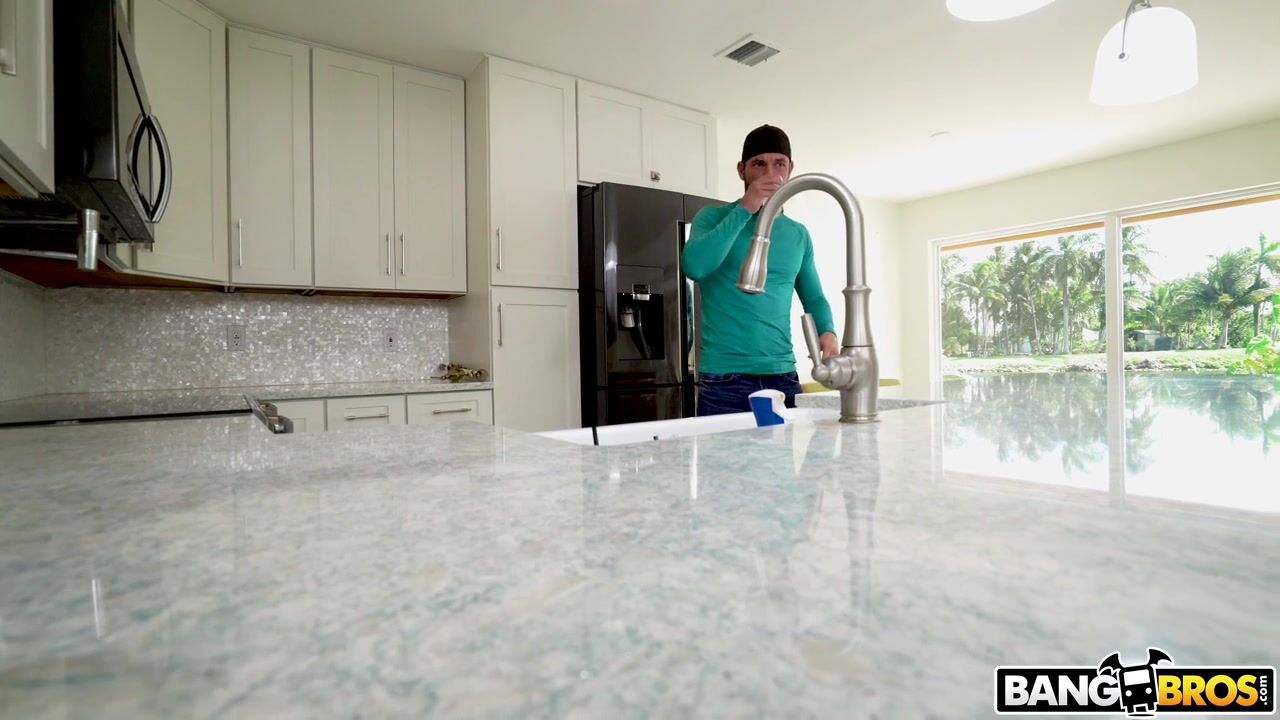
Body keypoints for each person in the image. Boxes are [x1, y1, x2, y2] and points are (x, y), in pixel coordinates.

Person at [681, 124, 838, 416]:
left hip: (782, 375)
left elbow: (814, 297)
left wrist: (827, 330)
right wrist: (746, 207)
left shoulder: (798, 234)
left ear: (790, 169)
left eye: (779, 164)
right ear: (741, 170)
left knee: (783, 450)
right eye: (758, 164)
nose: (770, 173)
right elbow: (695, 267)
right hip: (724, 379)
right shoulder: (712, 217)